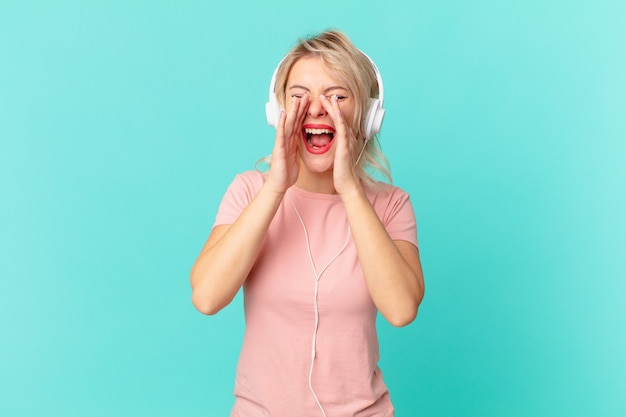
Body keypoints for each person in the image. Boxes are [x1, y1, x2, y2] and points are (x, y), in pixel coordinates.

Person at [190, 29, 425, 417]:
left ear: (367, 116)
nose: (316, 108)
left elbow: (401, 309)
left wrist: (348, 187)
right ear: (277, 112)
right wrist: (276, 188)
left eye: (337, 96)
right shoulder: (249, 192)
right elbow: (207, 297)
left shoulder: (391, 205)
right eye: (299, 96)